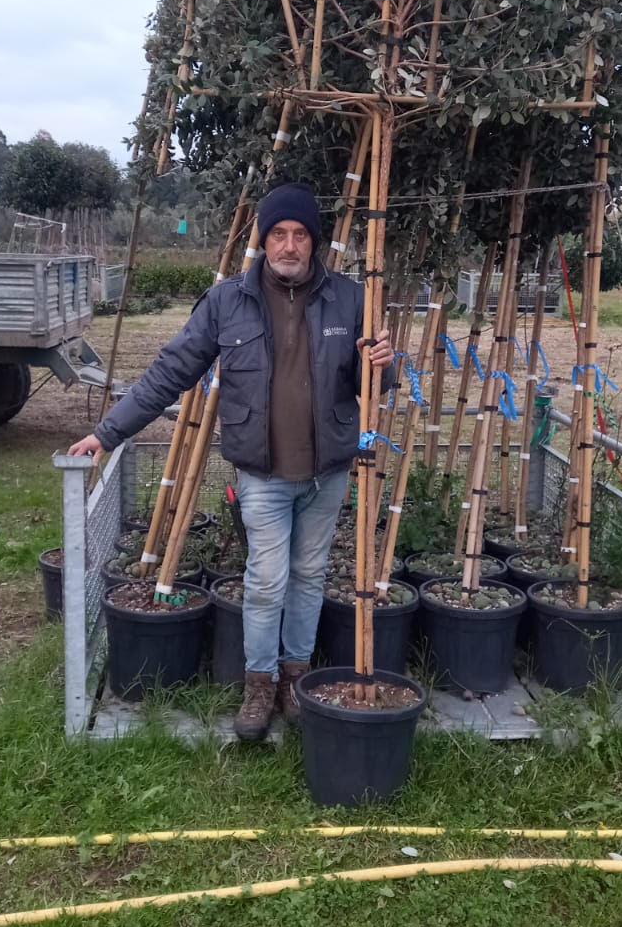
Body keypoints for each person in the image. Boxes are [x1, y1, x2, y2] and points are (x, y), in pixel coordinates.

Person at [68, 182, 394, 740]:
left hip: (328, 471)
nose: (289, 245)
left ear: (314, 242)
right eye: (278, 234)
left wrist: (384, 365)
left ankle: (296, 674)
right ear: (263, 240)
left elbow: (375, 385)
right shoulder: (227, 302)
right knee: (266, 579)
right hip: (262, 473)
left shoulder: (350, 299)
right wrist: (106, 433)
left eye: (299, 234)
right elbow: (169, 373)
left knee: (310, 575)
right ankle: (259, 682)